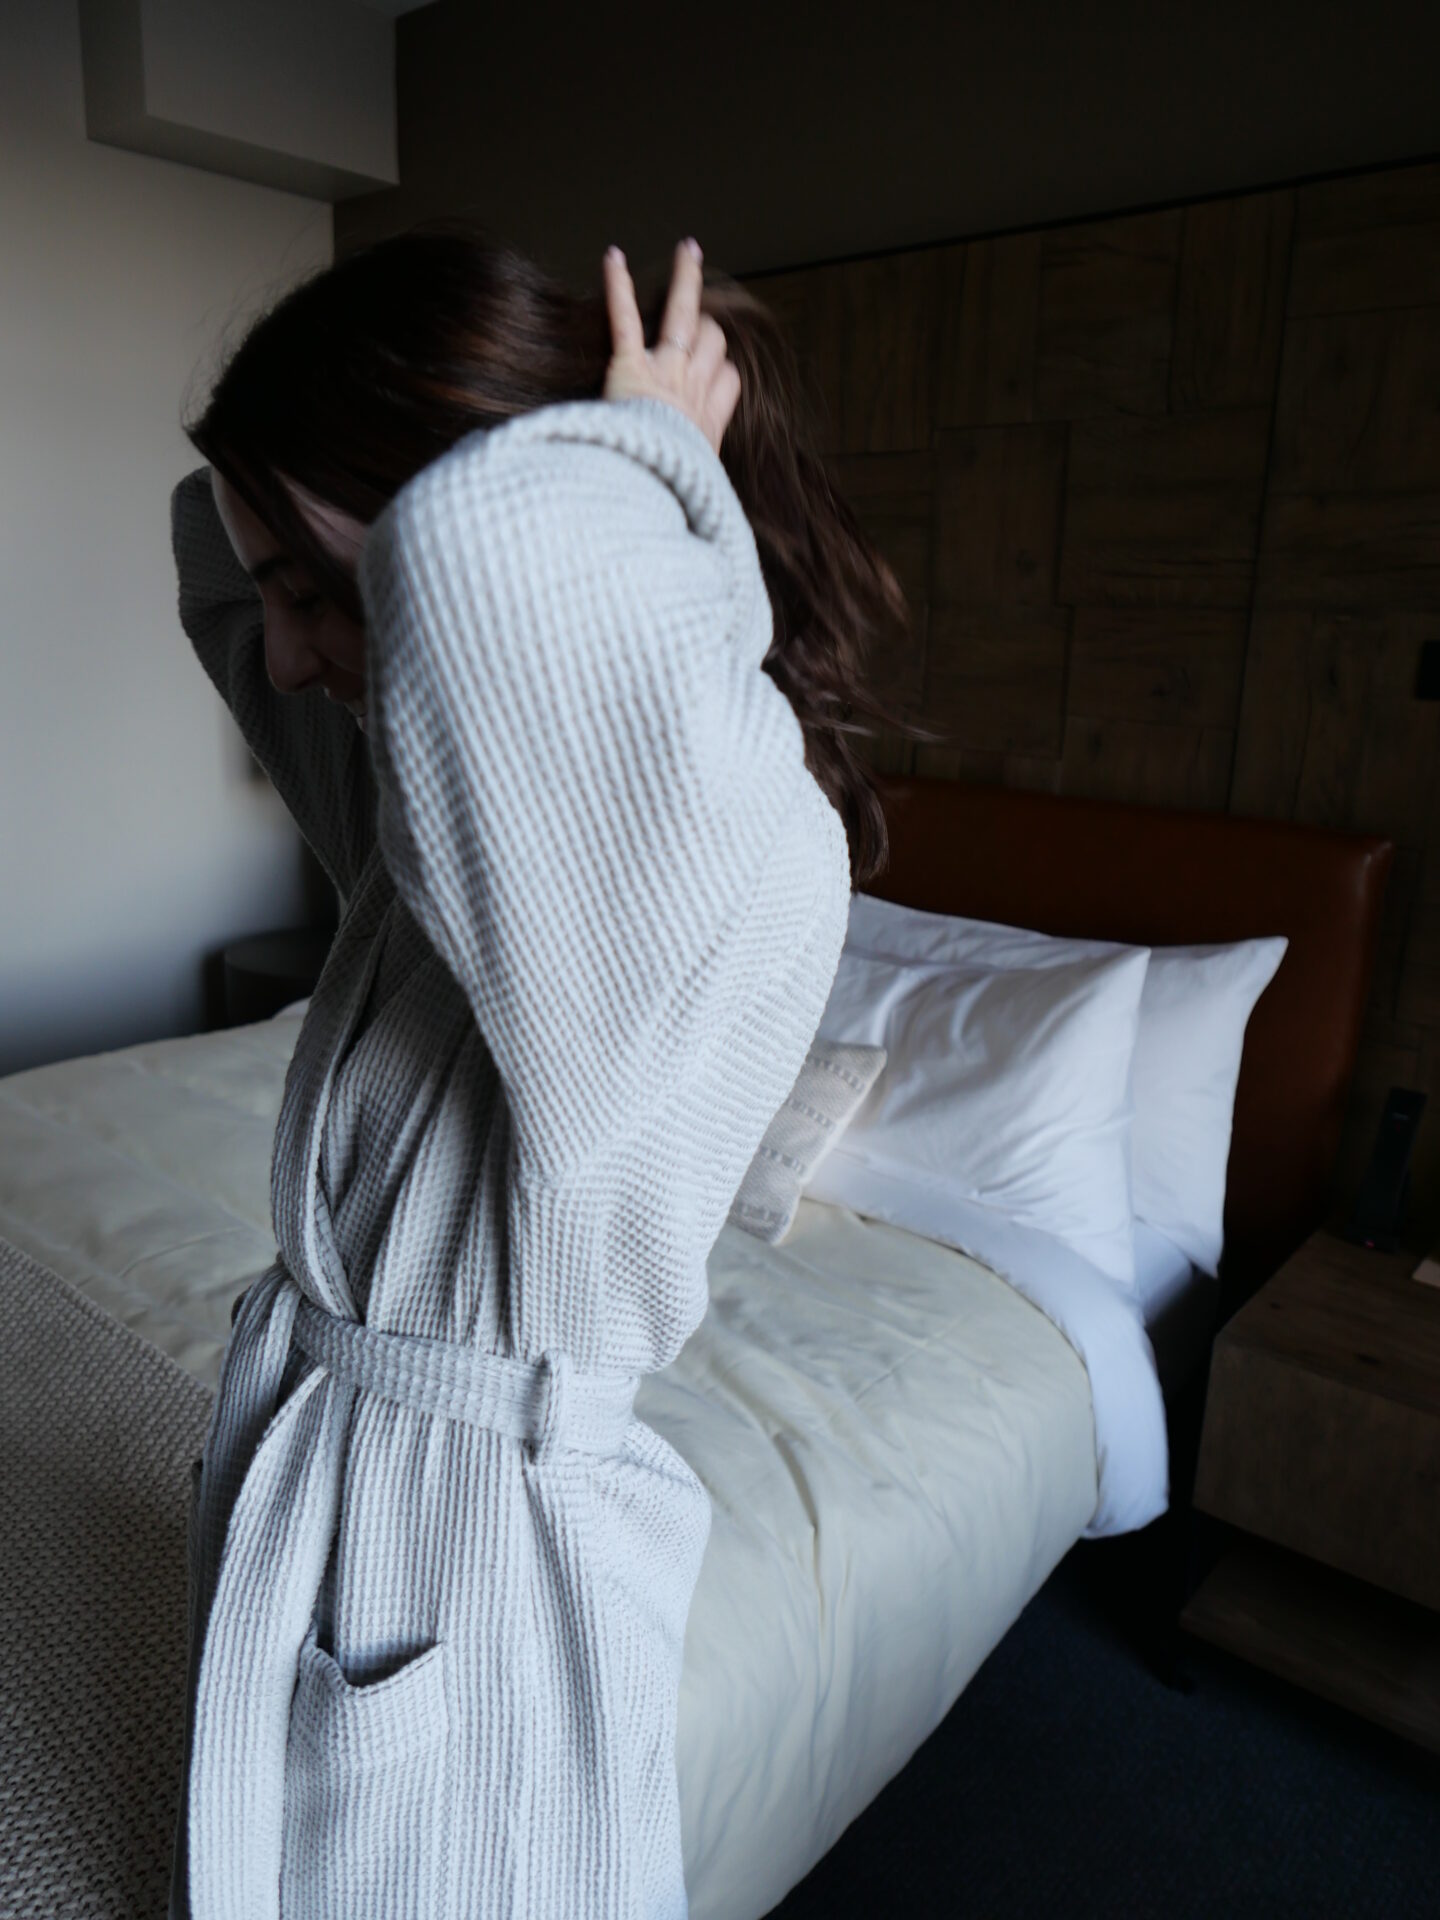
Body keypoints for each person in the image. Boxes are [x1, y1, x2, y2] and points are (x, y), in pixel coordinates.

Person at [167, 225, 934, 1919]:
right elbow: (222, 565)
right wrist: (303, 520)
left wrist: (639, 461)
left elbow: (477, 561)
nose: (284, 657)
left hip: (470, 1549)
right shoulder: (461, 814)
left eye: (318, 594)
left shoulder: (721, 848)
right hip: (359, 1458)